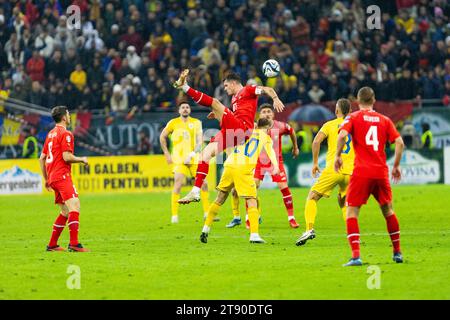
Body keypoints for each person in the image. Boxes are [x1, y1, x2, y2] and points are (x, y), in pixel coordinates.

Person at [173, 69, 285, 204]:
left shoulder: (248, 90)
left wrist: (275, 98)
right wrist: (218, 114)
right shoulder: (234, 98)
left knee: (214, 102)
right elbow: (235, 114)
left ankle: (184, 87)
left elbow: (268, 89)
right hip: (232, 132)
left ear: (233, 83)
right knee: (205, 155)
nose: (225, 89)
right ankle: (195, 192)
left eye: (226, 86)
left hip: (242, 129)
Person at [334, 87, 405, 266]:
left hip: (362, 172)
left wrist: (337, 156)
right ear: (374, 100)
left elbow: (342, 135)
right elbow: (399, 142)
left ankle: (356, 256)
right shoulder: (385, 120)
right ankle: (397, 253)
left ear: (357, 102)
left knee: (351, 212)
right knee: (388, 211)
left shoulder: (353, 117)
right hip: (380, 172)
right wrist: (395, 166)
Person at [200, 118, 279, 244]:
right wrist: (276, 166)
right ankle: (254, 235)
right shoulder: (266, 138)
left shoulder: (246, 131)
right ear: (268, 127)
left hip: (229, 165)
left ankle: (205, 229)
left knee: (220, 198)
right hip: (243, 169)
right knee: (252, 200)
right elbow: (272, 154)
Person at [227, 103, 301, 229]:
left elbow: (292, 131)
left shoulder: (281, 126)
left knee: (283, 186)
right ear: (259, 115)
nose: (267, 114)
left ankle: (291, 218)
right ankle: (250, 218)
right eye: (264, 112)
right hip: (257, 162)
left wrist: (295, 147)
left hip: (275, 161)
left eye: (269, 111)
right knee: (252, 189)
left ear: (273, 114)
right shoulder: (253, 127)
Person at [295, 98, 354, 246]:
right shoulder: (355, 125)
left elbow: (316, 142)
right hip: (351, 171)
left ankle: (309, 229)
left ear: (336, 111)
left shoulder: (329, 125)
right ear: (350, 111)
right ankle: (352, 232)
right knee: (343, 200)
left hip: (334, 168)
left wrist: (315, 163)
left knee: (312, 196)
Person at [39, 106, 89, 252]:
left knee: (66, 211)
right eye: (68, 114)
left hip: (53, 177)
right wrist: (81, 159)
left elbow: (41, 158)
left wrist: (47, 179)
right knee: (75, 206)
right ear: (63, 118)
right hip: (62, 175)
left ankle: (52, 245)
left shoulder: (50, 134)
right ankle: (74, 244)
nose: (70, 116)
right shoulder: (66, 134)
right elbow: (66, 157)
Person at [159, 102, 210, 223]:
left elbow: (199, 141)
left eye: (187, 107)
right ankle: (174, 215)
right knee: (178, 184)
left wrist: (192, 154)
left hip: (193, 158)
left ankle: (207, 212)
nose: (185, 109)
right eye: (183, 107)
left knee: (204, 184)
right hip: (178, 159)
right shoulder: (173, 123)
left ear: (190, 110)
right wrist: (166, 153)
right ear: (179, 110)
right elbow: (162, 136)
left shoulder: (196, 122)